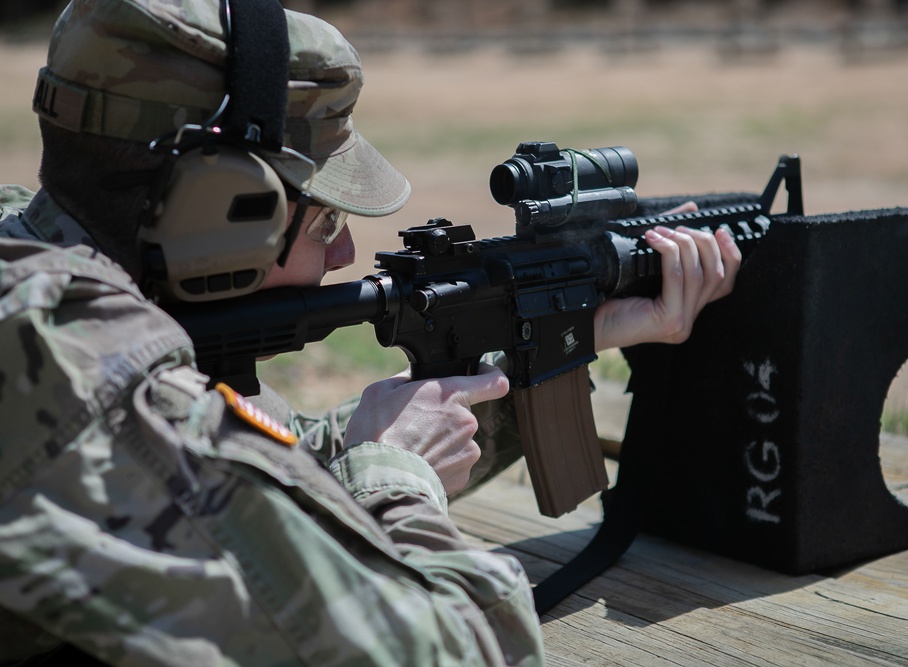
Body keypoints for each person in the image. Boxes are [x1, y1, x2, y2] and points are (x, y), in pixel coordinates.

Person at [0, 0, 741, 664]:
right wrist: (397, 480)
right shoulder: (94, 390)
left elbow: (241, 471)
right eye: (325, 219)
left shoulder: (38, 269)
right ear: (216, 208)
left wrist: (572, 339)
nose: (346, 255)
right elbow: (461, 648)